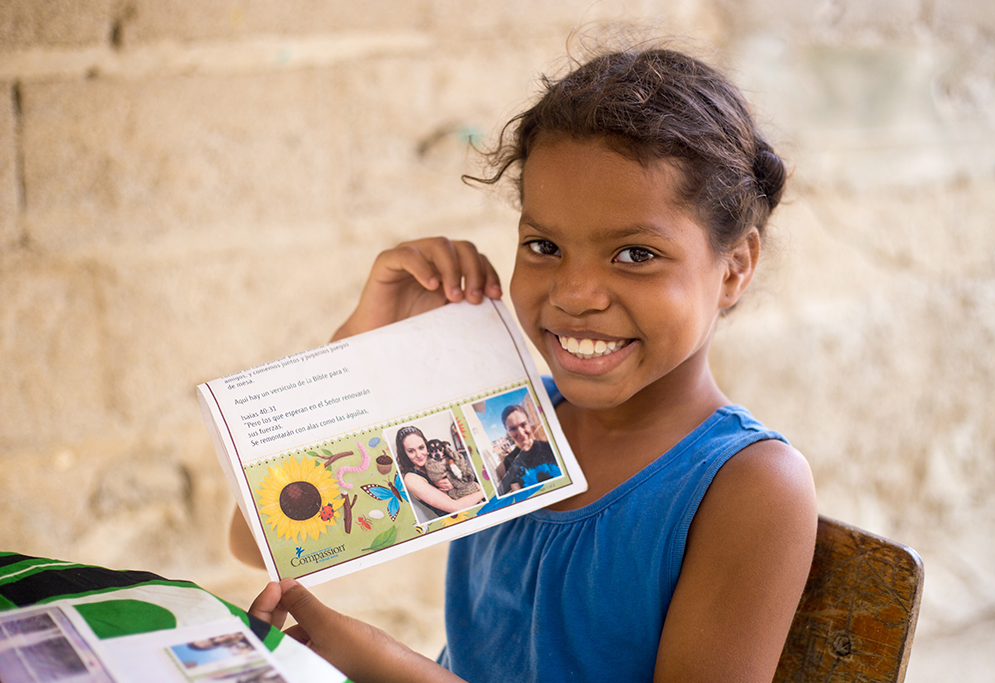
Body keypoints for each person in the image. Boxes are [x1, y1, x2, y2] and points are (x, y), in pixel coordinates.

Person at [242, 40, 818, 683]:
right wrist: (364, 342)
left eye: (634, 254)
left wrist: (387, 667)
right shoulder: (506, 421)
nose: (574, 295)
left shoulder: (749, 484)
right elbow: (258, 537)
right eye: (544, 245)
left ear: (734, 267)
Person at [395, 425, 486, 516]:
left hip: (479, 504)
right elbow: (456, 507)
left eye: (421, 447)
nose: (419, 455)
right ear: (404, 453)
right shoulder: (411, 479)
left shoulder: (435, 461)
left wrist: (454, 482)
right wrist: (483, 491)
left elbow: (465, 476)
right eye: (411, 451)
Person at [497, 404, 559, 492]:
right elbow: (519, 494)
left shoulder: (549, 447)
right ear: (507, 431)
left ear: (529, 422)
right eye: (513, 428)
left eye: (523, 424)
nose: (521, 433)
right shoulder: (509, 461)